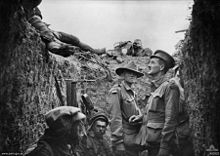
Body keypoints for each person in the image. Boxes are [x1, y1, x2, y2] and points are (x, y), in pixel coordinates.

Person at [129, 50, 192, 156]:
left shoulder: (170, 87)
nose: (149, 65)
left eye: (152, 63)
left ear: (162, 67)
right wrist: (140, 117)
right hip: (152, 143)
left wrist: (165, 148)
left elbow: (170, 119)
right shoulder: (157, 88)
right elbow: (158, 113)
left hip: (161, 146)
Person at [21, 0, 106, 57]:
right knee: (49, 40)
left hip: (50, 32)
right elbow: (36, 21)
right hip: (43, 33)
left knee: (74, 39)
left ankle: (94, 51)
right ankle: (58, 47)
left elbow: (38, 19)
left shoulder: (34, 10)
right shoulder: (22, 10)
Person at [107, 61, 145, 156]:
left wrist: (140, 117)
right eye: (129, 72)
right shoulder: (116, 91)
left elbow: (136, 111)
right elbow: (115, 117)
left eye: (135, 73)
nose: (133, 75)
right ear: (123, 75)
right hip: (125, 137)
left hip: (134, 135)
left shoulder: (132, 92)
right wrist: (118, 142)